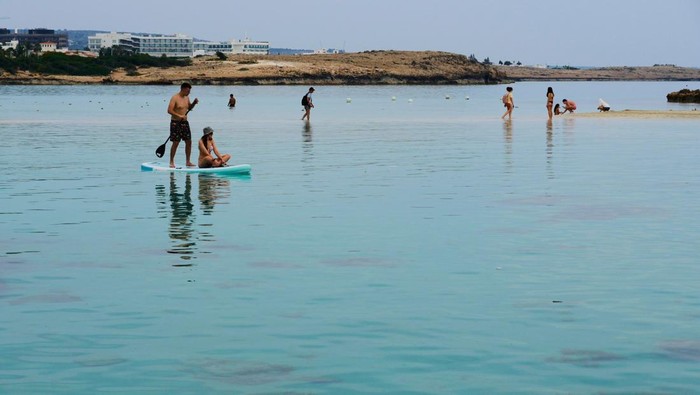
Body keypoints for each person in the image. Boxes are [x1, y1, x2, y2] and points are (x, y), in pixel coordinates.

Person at [167, 82, 199, 168]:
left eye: (189, 91)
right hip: (175, 123)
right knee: (176, 142)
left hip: (185, 123)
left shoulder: (186, 97)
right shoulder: (175, 98)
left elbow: (189, 108)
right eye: (188, 91)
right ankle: (171, 162)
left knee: (189, 141)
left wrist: (194, 103)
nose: (189, 93)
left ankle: (188, 161)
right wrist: (179, 115)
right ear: (183, 89)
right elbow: (169, 110)